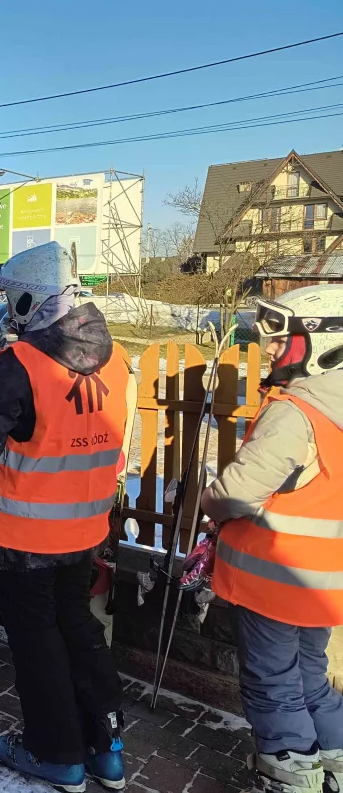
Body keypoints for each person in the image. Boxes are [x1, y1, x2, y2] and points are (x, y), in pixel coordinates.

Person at [0, 241, 134, 792]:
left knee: (38, 642)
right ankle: (106, 747)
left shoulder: (22, 363)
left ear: (31, 298)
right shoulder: (118, 356)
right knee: (78, 629)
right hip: (83, 531)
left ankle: (56, 754)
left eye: (12, 296)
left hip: (22, 535)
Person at [201, 285, 343, 793]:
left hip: (275, 578)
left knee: (272, 682)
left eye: (284, 341)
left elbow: (236, 493)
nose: (274, 351)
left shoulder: (298, 412)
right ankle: (333, 762)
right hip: (326, 581)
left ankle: (290, 772)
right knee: (309, 675)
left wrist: (207, 501)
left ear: (322, 342)